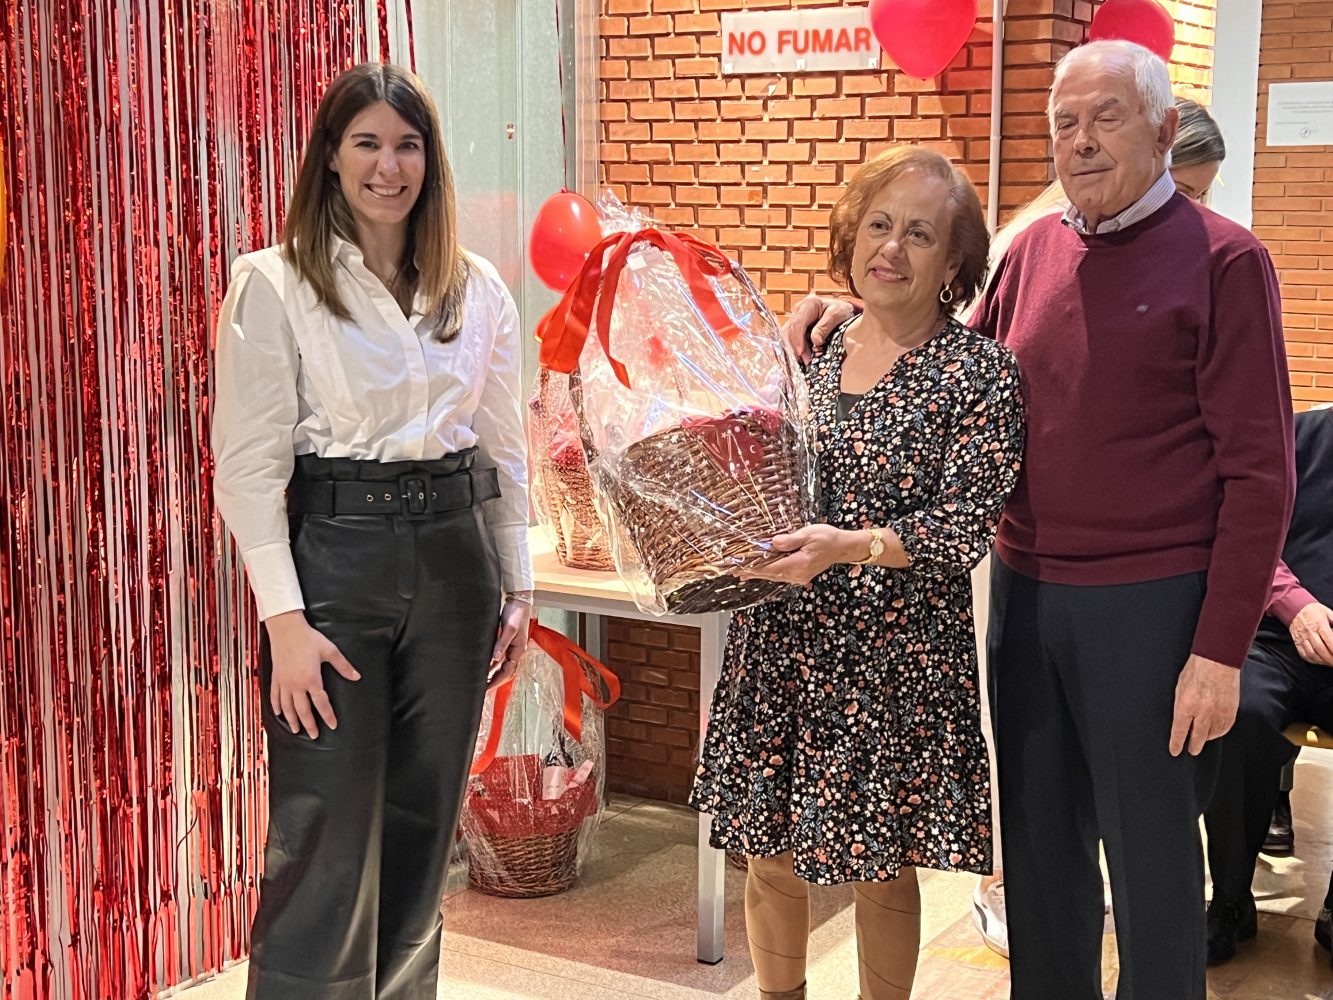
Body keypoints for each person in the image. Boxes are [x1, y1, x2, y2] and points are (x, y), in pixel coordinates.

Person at [782, 40, 1294, 1000]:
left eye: (1105, 118)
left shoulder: (1227, 261)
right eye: (1064, 122)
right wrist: (856, 304)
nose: (1081, 140)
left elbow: (1261, 478)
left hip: (1153, 608)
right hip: (1026, 595)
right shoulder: (1033, 250)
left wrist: (1220, 648)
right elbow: (948, 362)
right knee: (1041, 852)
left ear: (1162, 128)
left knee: (1150, 863)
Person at [211, 63, 532, 999]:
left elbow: (504, 451)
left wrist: (517, 589)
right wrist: (283, 623)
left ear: (429, 161)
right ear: (331, 156)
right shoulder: (273, 284)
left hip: (455, 563)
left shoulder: (476, 290)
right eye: (367, 143)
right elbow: (249, 468)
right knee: (324, 831)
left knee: (425, 825)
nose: (388, 166)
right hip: (335, 565)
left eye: (407, 144)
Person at [689, 146, 1026, 1000]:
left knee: (879, 867)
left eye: (920, 234)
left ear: (953, 261)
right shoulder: (814, 346)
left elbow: (962, 527)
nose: (891, 249)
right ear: (849, 235)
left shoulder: (980, 373)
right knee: (767, 853)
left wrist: (850, 545)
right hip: (782, 641)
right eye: (877, 225)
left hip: (892, 659)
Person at [1203, 404, 1333, 965]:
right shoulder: (1299, 438)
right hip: (1276, 637)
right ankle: (1230, 898)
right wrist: (1296, 606)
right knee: (1238, 712)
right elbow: (1248, 529)